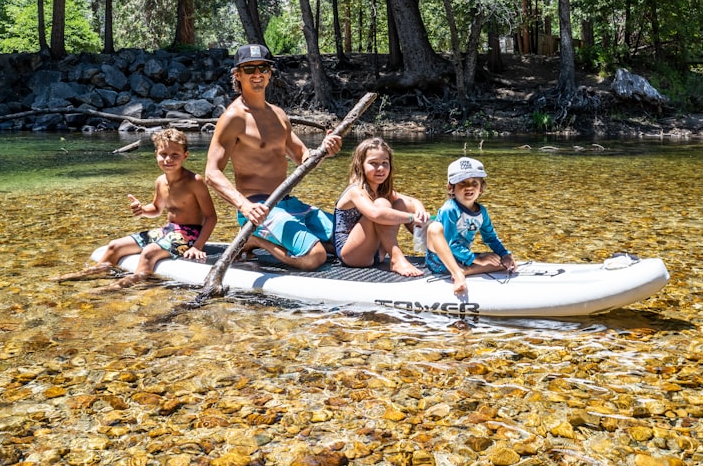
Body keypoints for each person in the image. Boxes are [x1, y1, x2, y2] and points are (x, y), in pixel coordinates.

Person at [205, 44, 342, 271]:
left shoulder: (278, 114)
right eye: (249, 69)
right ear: (237, 75)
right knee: (315, 257)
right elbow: (211, 173)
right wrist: (244, 206)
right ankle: (255, 240)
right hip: (258, 209)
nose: (257, 74)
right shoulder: (233, 118)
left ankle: (284, 238)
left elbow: (303, 158)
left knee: (350, 241)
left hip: (289, 203)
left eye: (263, 68)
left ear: (270, 73)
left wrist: (323, 151)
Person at [53, 128, 217, 291]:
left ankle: (120, 286)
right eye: (163, 154)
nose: (168, 159)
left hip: (190, 232)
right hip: (168, 230)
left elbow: (211, 217)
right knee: (114, 246)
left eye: (175, 155)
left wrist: (197, 246)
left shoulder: (194, 181)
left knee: (149, 253)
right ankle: (92, 273)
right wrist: (142, 210)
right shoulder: (161, 181)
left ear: (185, 156)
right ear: (156, 154)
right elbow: (156, 209)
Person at [334, 137, 428, 277]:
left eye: (385, 163)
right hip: (353, 255)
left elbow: (412, 202)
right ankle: (396, 258)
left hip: (377, 253)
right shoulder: (355, 191)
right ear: (360, 165)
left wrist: (420, 210)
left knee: (400, 204)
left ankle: (432, 250)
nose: (380, 169)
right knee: (382, 204)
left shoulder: (381, 191)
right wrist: (410, 217)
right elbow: (375, 214)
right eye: (373, 163)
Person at [424, 156, 516, 295]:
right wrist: (477, 259)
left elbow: (491, 237)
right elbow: (450, 244)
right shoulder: (450, 210)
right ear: (451, 188)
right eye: (462, 182)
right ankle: (458, 274)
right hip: (439, 260)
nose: (469, 187)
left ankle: (466, 271)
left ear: (481, 188)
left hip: (462, 258)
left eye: (474, 183)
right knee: (434, 228)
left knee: (503, 263)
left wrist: (505, 254)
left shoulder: (482, 212)